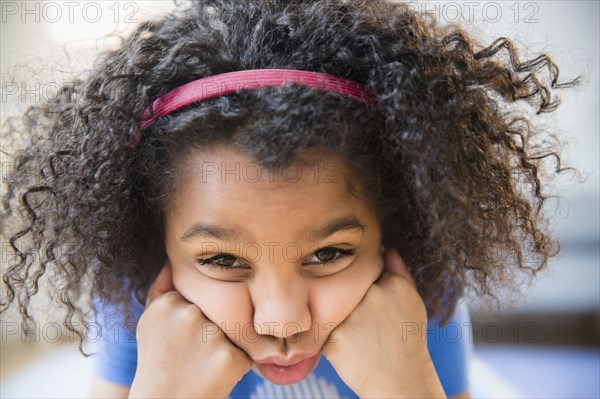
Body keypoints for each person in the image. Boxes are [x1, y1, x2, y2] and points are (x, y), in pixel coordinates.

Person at [0, 0, 579, 398]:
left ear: (394, 230)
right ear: (157, 246)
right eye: (222, 260)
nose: (281, 321)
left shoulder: (423, 299)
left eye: (330, 253)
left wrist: (407, 388)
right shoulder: (134, 309)